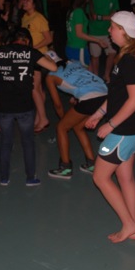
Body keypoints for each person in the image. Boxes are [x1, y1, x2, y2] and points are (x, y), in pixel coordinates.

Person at [84, 11, 135, 244]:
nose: (109, 31)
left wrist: (110, 124)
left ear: (123, 31)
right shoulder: (127, 57)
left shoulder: (130, 61)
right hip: (130, 130)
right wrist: (98, 114)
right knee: (125, 178)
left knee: (100, 177)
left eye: (112, 27)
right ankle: (134, 228)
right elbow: (118, 95)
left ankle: (129, 224)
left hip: (123, 132)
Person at [0, 28, 57, 186]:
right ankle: (30, 178)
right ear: (27, 40)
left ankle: (4, 178)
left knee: (6, 142)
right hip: (24, 106)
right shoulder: (30, 52)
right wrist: (48, 57)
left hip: (4, 106)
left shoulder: (1, 51)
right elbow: (53, 68)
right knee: (27, 142)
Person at [45, 51, 108, 180]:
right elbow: (83, 78)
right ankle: (91, 164)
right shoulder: (74, 63)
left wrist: (63, 120)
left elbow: (57, 104)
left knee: (61, 128)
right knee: (78, 127)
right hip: (105, 96)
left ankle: (65, 168)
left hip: (89, 98)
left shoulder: (50, 76)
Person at [21, 0, 52, 132]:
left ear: (34, 4)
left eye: (28, 0)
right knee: (38, 89)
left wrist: (33, 48)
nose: (24, 1)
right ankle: (39, 118)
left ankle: (43, 119)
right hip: (30, 56)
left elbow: (49, 39)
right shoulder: (25, 17)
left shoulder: (39, 18)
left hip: (39, 57)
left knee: (34, 88)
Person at [65, 0, 108, 67]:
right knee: (83, 71)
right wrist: (98, 41)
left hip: (72, 46)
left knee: (84, 69)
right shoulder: (78, 12)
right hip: (78, 47)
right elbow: (79, 34)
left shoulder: (71, 10)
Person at [87, 0, 119, 82]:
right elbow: (93, 15)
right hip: (95, 31)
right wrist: (107, 17)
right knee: (95, 55)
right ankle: (96, 76)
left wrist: (108, 16)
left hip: (109, 31)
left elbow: (115, 10)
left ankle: (106, 74)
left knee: (112, 53)